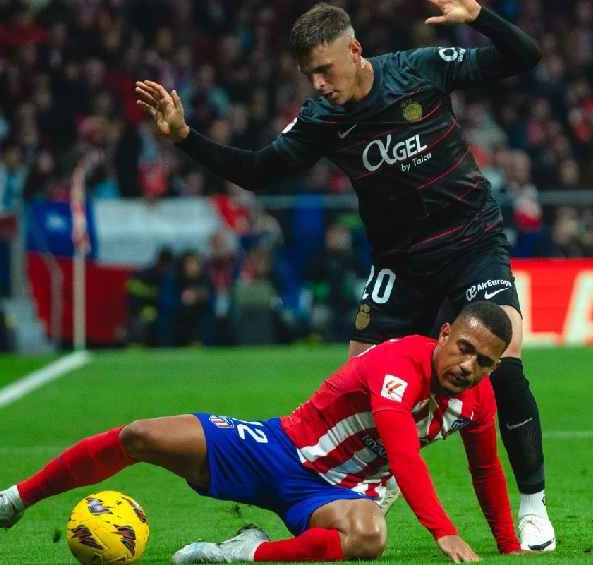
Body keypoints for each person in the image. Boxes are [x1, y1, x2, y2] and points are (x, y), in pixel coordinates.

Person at [135, 0, 555, 549]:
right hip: (399, 263)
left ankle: (533, 508)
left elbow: (524, 57)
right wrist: (186, 137)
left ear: (354, 50)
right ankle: (325, 505)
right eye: (309, 74)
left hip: (471, 242)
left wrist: (478, 15)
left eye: (325, 69)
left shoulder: (419, 69)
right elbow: (260, 172)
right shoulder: (321, 118)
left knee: (506, 359)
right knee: (358, 390)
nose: (319, 83)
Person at [0, 302, 521, 562]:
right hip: (278, 449)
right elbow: (402, 449)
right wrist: (443, 531)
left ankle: (248, 551)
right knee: (141, 435)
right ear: (444, 334)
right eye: (464, 348)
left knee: (369, 538)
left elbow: (486, 469)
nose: (469, 365)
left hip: (340, 494)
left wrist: (509, 547)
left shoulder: (478, 400)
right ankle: (11, 500)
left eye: (484, 362)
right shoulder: (400, 363)